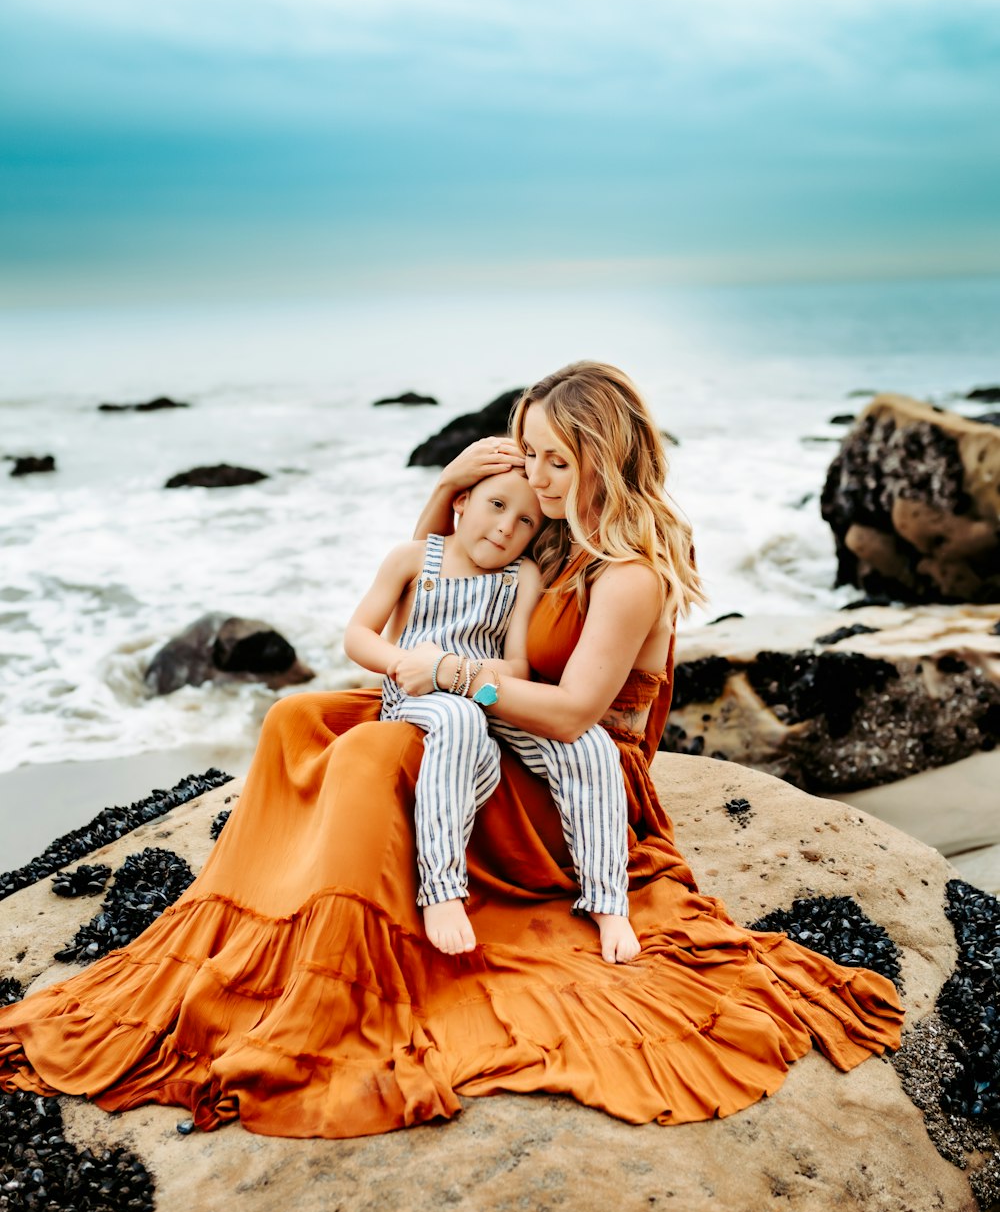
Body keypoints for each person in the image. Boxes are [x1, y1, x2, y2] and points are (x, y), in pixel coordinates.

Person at [0, 362, 904, 1140]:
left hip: (571, 767)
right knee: (297, 721)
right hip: (500, 722)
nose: (539, 478)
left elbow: (572, 713)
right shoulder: (557, 533)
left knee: (368, 758)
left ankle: (340, 971)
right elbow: (448, 569)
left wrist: (450, 677)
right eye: (531, 455)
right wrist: (444, 498)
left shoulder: (629, 573)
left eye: (557, 459)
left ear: (603, 458)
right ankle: (262, 923)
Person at [343, 470, 638, 960]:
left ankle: (608, 901)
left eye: (525, 520)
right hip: (418, 696)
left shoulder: (521, 575)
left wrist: (453, 672)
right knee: (460, 724)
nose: (506, 527)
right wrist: (404, 664)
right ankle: (441, 890)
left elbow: (518, 666)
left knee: (588, 745)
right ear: (460, 501)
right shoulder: (412, 558)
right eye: (496, 505)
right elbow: (357, 634)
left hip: (484, 693)